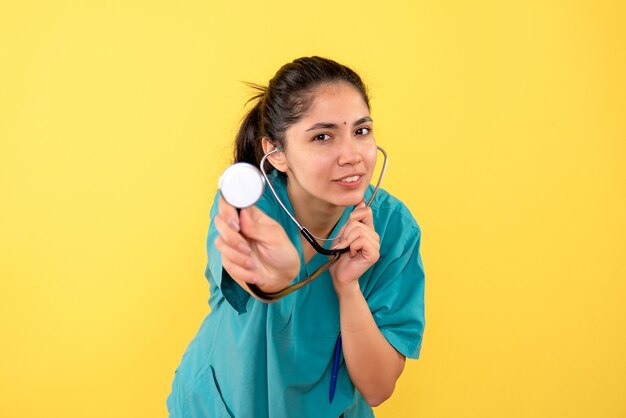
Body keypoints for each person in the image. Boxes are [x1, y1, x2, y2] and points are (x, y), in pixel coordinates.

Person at [167, 56, 425, 418]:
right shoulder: (248, 205)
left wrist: (348, 287)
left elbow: (378, 387)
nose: (351, 155)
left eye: (361, 131)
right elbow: (254, 278)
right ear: (277, 154)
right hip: (222, 404)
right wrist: (276, 275)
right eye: (323, 136)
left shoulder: (395, 229)